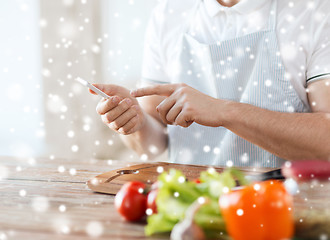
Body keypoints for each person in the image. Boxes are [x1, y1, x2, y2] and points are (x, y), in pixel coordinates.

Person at [91, 0, 330, 168]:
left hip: (284, 209)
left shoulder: (315, 12)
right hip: (191, 205)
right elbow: (153, 145)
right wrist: (135, 121)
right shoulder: (169, 13)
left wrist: (224, 111)